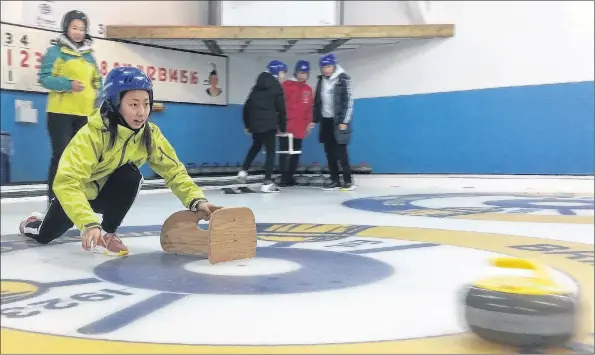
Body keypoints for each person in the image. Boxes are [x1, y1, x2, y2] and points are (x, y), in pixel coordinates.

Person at [18, 67, 218, 256]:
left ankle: (108, 233)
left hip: (107, 195)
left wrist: (197, 200)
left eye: (146, 103)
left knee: (131, 175)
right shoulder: (91, 135)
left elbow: (174, 171)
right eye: (133, 104)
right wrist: (88, 222)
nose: (142, 112)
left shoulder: (149, 135)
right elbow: (66, 181)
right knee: (44, 236)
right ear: (115, 103)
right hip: (79, 194)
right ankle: (33, 222)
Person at [39, 10, 102, 207]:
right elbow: (44, 78)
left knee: (80, 158)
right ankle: (54, 198)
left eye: (82, 29)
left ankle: (75, 197)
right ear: (66, 28)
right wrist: (68, 84)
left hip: (84, 113)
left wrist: (97, 91)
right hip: (61, 113)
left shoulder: (89, 55)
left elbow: (97, 79)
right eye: (74, 28)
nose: (78, 32)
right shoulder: (55, 52)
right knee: (61, 155)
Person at [238, 60, 288, 193]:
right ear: (277, 72)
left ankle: (243, 171)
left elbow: (247, 106)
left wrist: (247, 124)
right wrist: (283, 129)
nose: (284, 76)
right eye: (283, 72)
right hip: (269, 123)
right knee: (271, 152)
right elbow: (282, 109)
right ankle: (266, 182)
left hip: (255, 123)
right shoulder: (276, 86)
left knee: (256, 146)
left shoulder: (256, 87)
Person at [313, 53, 355, 191]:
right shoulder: (321, 80)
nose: (326, 69)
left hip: (339, 121)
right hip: (325, 120)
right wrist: (315, 119)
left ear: (334, 65)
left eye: (328, 66)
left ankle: (348, 180)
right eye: (323, 67)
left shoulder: (343, 79)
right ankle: (335, 179)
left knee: (341, 152)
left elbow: (349, 102)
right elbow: (317, 101)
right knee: (329, 151)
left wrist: (345, 121)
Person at [278, 60, 314, 187]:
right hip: (286, 126)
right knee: (284, 152)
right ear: (296, 72)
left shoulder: (308, 90)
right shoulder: (286, 85)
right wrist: (279, 124)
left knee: (296, 153)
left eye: (305, 73)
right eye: (301, 72)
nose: (303, 75)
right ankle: (283, 177)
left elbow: (309, 108)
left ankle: (290, 176)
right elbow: (280, 105)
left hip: (300, 127)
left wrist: (309, 124)